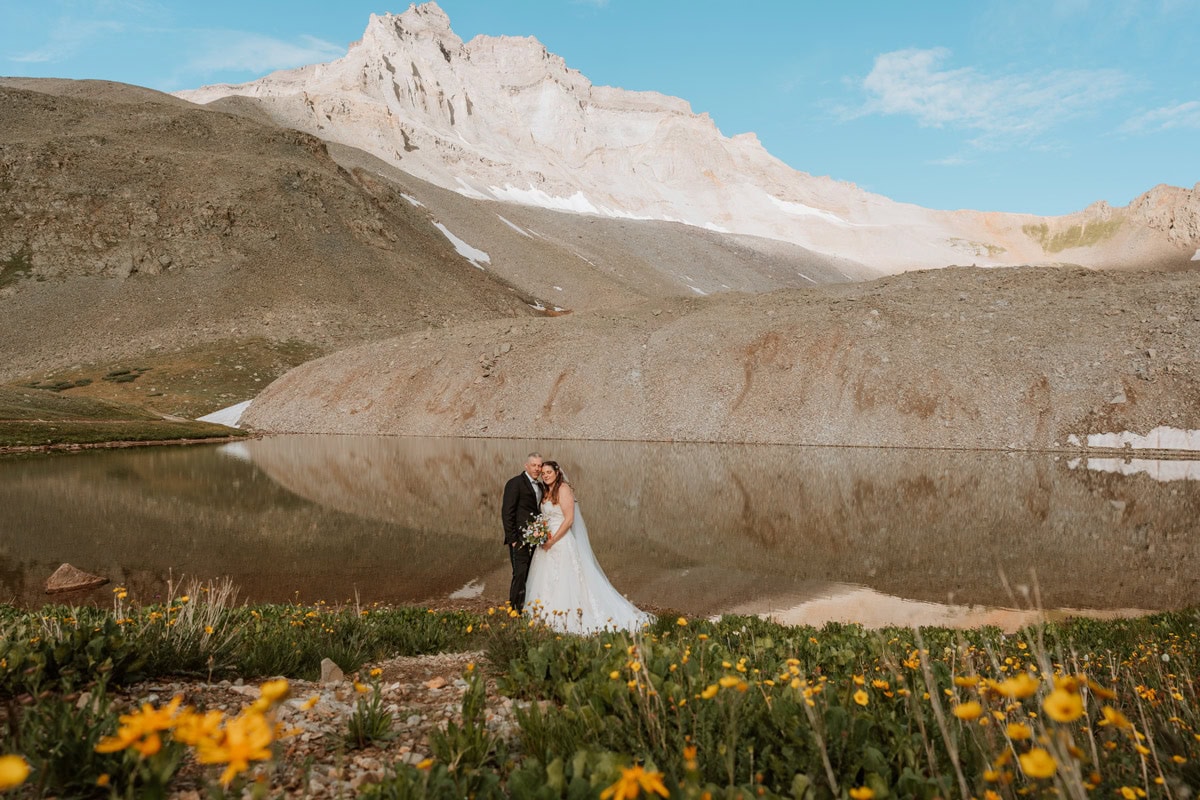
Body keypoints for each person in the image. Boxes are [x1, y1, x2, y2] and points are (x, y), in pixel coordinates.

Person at [525, 460, 652, 634]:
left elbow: (569, 520)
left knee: (563, 578)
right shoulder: (546, 491)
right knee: (545, 578)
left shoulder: (563, 489)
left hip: (560, 541)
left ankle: (566, 615)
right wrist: (539, 534)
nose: (546, 475)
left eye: (549, 472)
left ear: (557, 472)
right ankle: (543, 615)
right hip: (546, 542)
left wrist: (552, 540)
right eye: (543, 473)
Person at [501, 452, 543, 613]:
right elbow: (507, 512)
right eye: (534, 465)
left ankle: (525, 607)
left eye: (539, 465)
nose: (537, 469)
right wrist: (512, 539)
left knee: (531, 573)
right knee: (519, 573)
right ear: (526, 466)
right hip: (518, 539)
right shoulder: (515, 483)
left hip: (535, 539)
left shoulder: (540, 486)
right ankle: (514, 609)